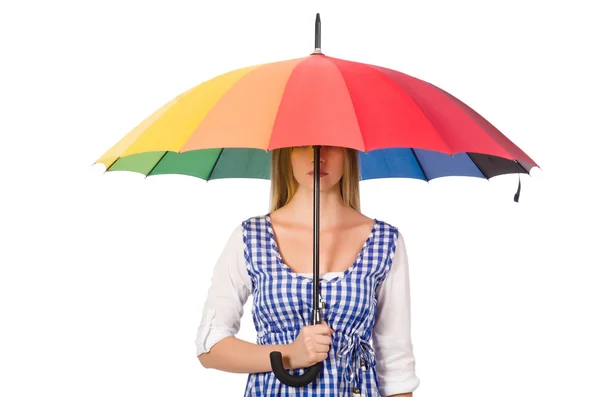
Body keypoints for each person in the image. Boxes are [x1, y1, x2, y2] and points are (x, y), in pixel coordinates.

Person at [195, 146, 420, 396]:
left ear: (349, 153)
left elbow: (396, 366)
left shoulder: (385, 242)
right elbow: (210, 346)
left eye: (332, 145)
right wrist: (290, 354)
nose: (319, 156)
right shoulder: (250, 238)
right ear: (285, 153)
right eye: (303, 145)